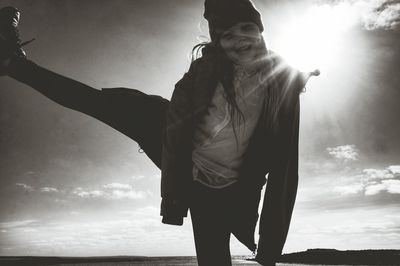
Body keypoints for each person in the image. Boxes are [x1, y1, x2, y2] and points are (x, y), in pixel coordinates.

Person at [0, 1, 319, 265]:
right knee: (98, 102)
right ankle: (11, 63)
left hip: (215, 193)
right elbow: (179, 117)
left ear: (261, 33)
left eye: (248, 29)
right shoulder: (205, 70)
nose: (241, 40)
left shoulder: (283, 85)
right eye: (228, 35)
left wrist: (269, 250)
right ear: (218, 41)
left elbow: (284, 171)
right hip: (173, 139)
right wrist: (172, 195)